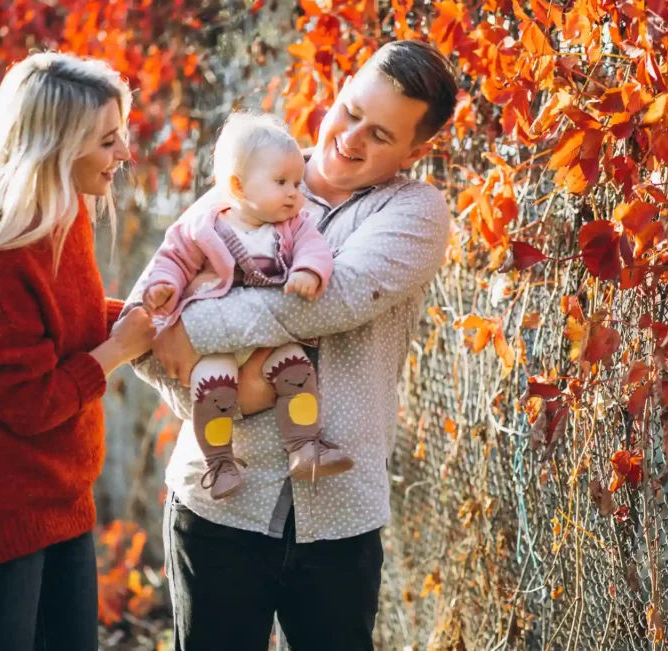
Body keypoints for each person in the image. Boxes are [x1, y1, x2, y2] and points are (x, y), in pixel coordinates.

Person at [125, 39, 459, 650]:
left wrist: (194, 329)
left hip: (338, 515)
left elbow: (336, 299)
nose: (351, 138)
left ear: (418, 149)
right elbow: (142, 326)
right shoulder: (248, 180)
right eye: (352, 110)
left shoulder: (415, 211)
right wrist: (215, 397)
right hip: (217, 504)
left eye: (381, 135)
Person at [0, 52, 155, 651]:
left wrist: (141, 318)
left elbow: (60, 328)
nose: (124, 153)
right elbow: (30, 402)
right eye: (108, 140)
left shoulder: (63, 215)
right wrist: (118, 349)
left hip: (57, 489)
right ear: (56, 147)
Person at [140, 112, 349, 501]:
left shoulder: (295, 226)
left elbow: (315, 250)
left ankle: (305, 446)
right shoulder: (204, 227)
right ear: (238, 185)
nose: (293, 193)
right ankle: (219, 464)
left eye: (297, 184)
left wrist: (307, 271)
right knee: (213, 392)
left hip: (269, 336)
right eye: (281, 182)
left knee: (298, 373)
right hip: (215, 342)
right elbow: (172, 259)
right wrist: (164, 286)